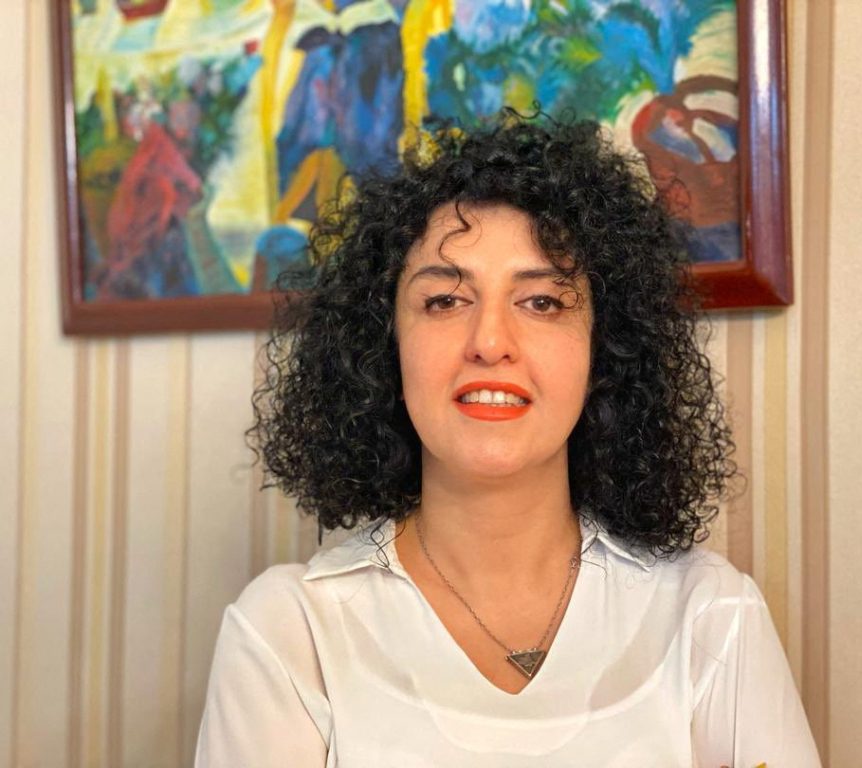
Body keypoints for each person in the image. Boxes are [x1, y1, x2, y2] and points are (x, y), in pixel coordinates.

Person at [195, 112, 821, 767]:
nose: (490, 342)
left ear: (604, 349)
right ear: (384, 347)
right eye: (445, 301)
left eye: (543, 302)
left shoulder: (710, 614)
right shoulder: (290, 630)